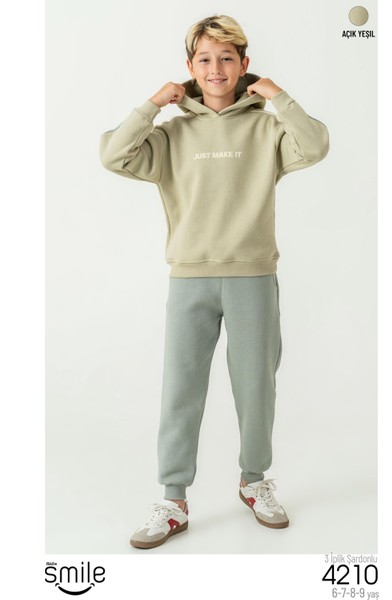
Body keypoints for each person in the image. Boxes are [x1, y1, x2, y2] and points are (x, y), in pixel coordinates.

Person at [99, 14, 329, 549]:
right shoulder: (171, 134)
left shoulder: (267, 129)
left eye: (227, 57)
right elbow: (113, 154)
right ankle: (173, 499)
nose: (216, 68)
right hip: (190, 280)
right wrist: (153, 104)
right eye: (204, 58)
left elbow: (316, 145)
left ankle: (254, 482)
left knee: (256, 387)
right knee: (181, 390)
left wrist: (279, 96)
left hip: (253, 276)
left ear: (244, 65)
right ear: (190, 67)